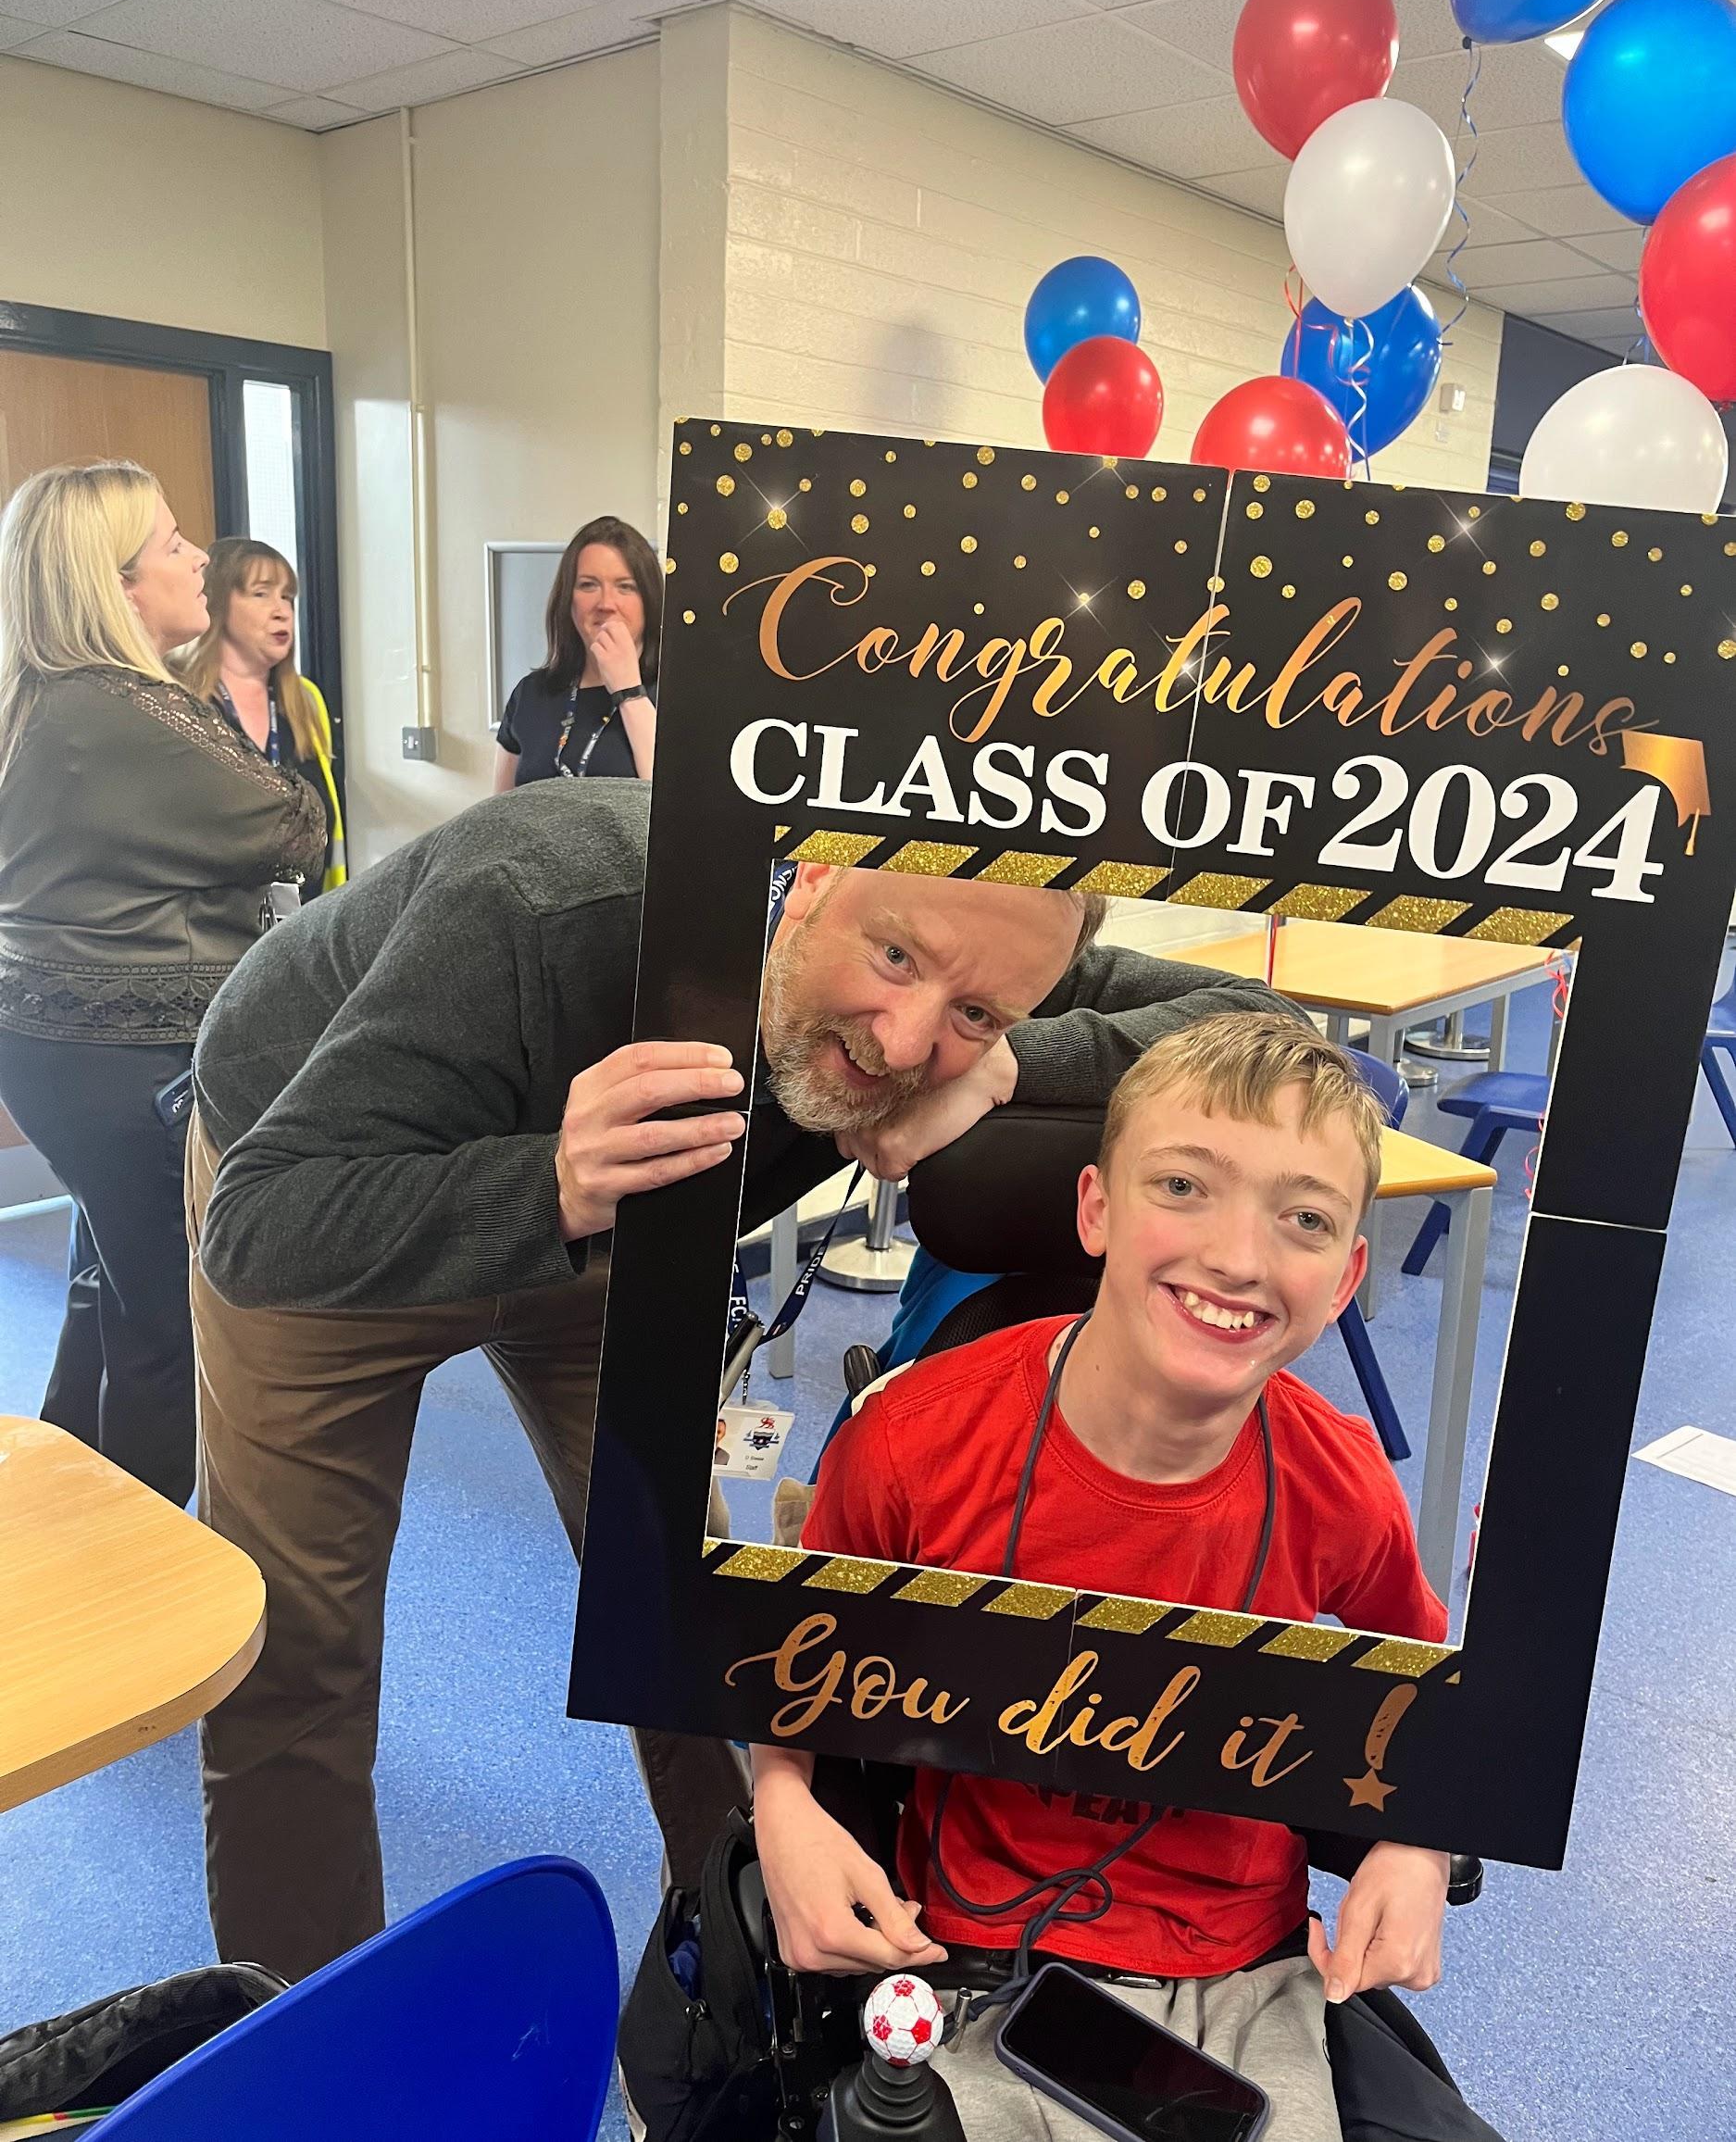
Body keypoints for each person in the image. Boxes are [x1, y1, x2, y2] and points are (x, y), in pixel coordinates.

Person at [185, 777, 1294, 1981]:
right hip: (336, 1197)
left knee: (679, 1588)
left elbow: (1265, 1025)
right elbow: (257, 1228)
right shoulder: (535, 900)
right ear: (808, 878)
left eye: (974, 1010)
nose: (903, 1043)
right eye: (891, 956)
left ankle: (740, 1951)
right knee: (292, 1657)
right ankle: (296, 2034)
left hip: (622, 1228)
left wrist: (1010, 1060)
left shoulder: (984, 938)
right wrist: (549, 1182)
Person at [755, 1012, 1452, 2142]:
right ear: (1097, 1209)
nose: (1239, 1257)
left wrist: (1418, 1845)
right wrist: (783, 1802)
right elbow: (787, 1669)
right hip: (968, 1953)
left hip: (1244, 1970)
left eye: (1305, 1219)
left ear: (1346, 1277)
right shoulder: (911, 1442)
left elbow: (1429, 1695)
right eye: (1183, 1186)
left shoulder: (1342, 1484)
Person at [0, 462, 326, 1504]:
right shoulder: (124, 708)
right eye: (176, 544)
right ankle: (136, 1564)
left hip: (60, 1056)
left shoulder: (42, 696)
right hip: (133, 1062)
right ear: (118, 582)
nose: (200, 561)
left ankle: (61, 1522)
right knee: (170, 1324)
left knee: (106, 1284)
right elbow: (298, 825)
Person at [177, 537, 346, 896]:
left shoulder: (306, 701)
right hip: (216, 923)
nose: (282, 610)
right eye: (261, 594)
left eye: (287, 597)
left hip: (307, 918)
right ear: (217, 602)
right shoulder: (181, 702)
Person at [493, 515, 659, 790]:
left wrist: (629, 690)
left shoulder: (678, 693)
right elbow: (500, 809)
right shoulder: (530, 694)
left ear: (649, 601)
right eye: (588, 585)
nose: (606, 603)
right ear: (568, 599)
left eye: (625, 587)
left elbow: (675, 802)